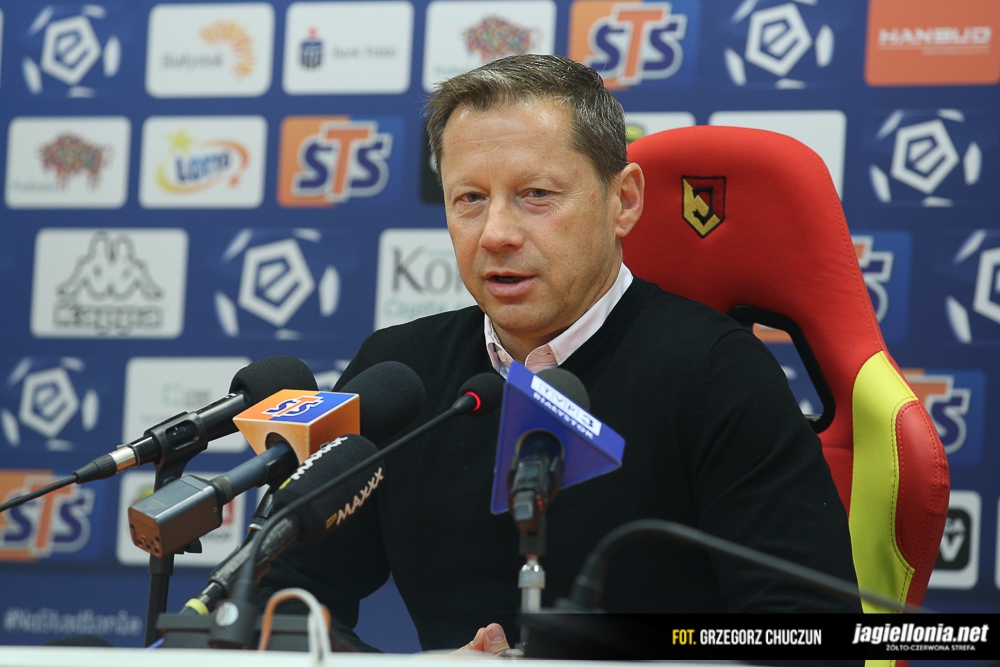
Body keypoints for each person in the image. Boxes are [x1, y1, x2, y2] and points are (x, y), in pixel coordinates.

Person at [257, 54, 861, 653]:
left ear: (624, 200)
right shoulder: (400, 376)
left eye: (536, 194)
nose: (496, 233)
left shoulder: (717, 373)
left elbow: (811, 631)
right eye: (470, 198)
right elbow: (273, 602)